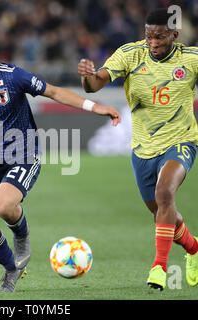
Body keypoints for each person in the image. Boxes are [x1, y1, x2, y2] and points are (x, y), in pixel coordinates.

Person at [0, 24, 121, 293]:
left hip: (23, 154)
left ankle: (21, 233)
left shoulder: (13, 76)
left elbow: (53, 91)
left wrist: (95, 106)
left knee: (3, 204)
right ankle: (12, 268)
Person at [78, 8, 198, 291]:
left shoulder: (191, 59)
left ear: (174, 36)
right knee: (161, 212)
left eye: (160, 38)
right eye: (148, 37)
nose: (153, 43)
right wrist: (87, 76)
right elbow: (95, 85)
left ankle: (159, 267)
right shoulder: (131, 54)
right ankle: (193, 249)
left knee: (165, 192)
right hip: (143, 147)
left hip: (181, 141)